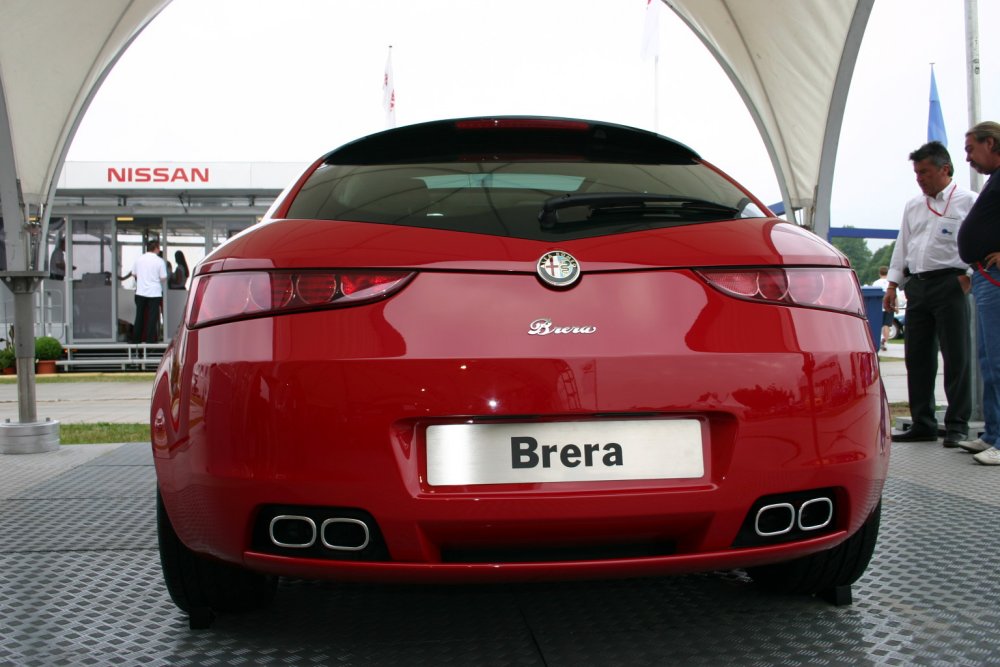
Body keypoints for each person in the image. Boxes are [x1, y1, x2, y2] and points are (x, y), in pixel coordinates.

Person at [884, 141, 976, 447]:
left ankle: (957, 424)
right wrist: (893, 284)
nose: (919, 178)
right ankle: (923, 421)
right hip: (918, 285)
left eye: (924, 172)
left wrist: (968, 277)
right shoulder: (913, 205)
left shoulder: (968, 201)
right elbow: (903, 245)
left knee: (955, 355)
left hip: (951, 281)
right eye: (916, 173)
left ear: (944, 169)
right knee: (917, 357)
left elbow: (982, 240)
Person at [956, 121, 1000, 465]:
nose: (968, 157)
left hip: (995, 276)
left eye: (972, 149)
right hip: (984, 276)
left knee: (998, 360)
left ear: (991, 142)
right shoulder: (993, 183)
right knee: (987, 360)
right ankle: (993, 433)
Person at [122, 240, 168, 343]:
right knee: (152, 317)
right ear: (156, 248)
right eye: (158, 248)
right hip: (154, 293)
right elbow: (163, 277)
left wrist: (143, 279)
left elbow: (134, 274)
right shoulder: (159, 261)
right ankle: (150, 340)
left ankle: (136, 339)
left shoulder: (139, 259)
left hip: (140, 292)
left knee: (139, 316)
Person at [869, 266, 892, 350]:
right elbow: (894, 295)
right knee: (887, 325)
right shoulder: (891, 283)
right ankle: (885, 342)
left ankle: (879, 339)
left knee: (878, 324)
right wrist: (896, 306)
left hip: (878, 306)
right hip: (889, 306)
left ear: (880, 273)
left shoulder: (876, 283)